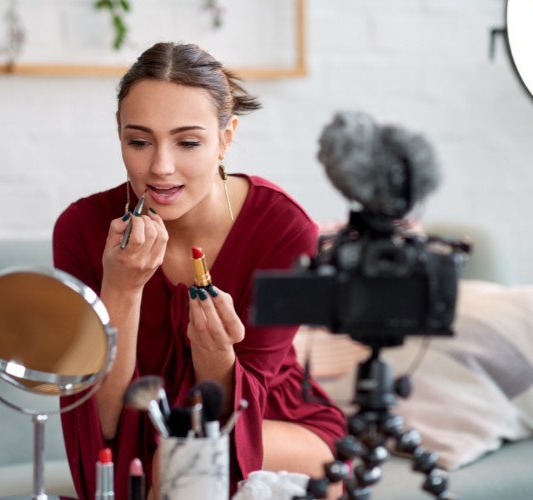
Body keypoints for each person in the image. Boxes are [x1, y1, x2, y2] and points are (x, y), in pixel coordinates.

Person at [53, 41, 346, 499]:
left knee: (182, 458)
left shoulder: (284, 231)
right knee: (173, 458)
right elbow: (103, 423)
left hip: (271, 425)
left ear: (226, 138)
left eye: (188, 142)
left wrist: (216, 358)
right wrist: (122, 289)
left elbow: (236, 414)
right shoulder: (81, 230)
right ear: (119, 133)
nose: (160, 167)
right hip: (140, 435)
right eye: (138, 141)